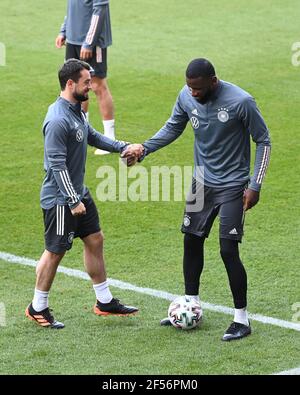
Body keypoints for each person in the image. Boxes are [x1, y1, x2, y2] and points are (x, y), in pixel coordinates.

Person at [122, 58, 271, 341]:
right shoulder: (186, 96)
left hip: (232, 186)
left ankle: (242, 319)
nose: (192, 93)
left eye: (198, 88)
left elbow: (263, 140)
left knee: (228, 250)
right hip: (202, 182)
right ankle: (190, 303)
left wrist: (255, 184)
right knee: (191, 240)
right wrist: (145, 149)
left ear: (213, 81)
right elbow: (173, 127)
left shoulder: (241, 101)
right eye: (189, 87)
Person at [25, 59, 138, 329]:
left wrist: (123, 147)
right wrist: (73, 200)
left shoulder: (76, 111)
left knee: (95, 239)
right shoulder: (57, 119)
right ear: (70, 83)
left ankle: (104, 301)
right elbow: (57, 164)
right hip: (61, 199)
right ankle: (37, 307)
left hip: (78, 192)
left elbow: (92, 136)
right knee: (56, 251)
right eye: (87, 82)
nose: (91, 86)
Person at [55, 0, 115, 155]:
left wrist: (89, 42)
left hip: (92, 43)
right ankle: (81, 131)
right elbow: (72, 8)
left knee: (98, 86)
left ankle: (109, 137)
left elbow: (99, 10)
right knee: (77, 86)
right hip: (73, 41)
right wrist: (64, 31)